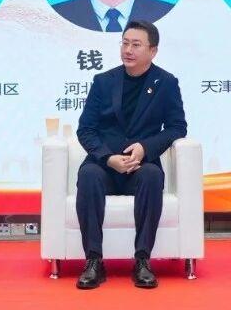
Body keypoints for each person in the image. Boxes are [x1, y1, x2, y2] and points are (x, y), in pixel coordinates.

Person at [73, 20, 187, 289]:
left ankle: (143, 260)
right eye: (125, 43)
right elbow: (86, 129)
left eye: (136, 45)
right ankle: (93, 261)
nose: (128, 50)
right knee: (88, 175)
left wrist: (145, 147)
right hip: (105, 164)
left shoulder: (166, 83)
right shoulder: (103, 82)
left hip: (140, 164)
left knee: (152, 176)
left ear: (153, 51)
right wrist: (107, 158)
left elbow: (177, 127)